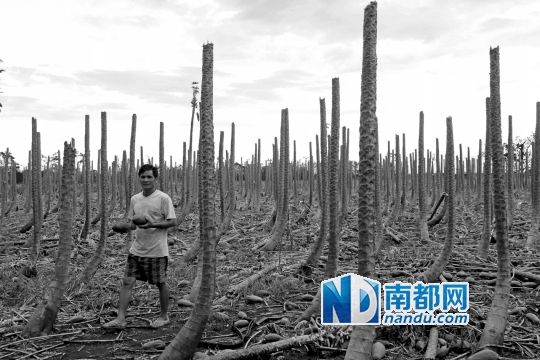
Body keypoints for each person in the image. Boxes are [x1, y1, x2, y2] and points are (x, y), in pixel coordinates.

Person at [104, 164, 177, 328]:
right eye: (143, 176)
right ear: (139, 178)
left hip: (157, 250)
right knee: (127, 281)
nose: (146, 180)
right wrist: (122, 227)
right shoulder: (135, 199)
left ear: (155, 179)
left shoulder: (163, 198)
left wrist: (153, 224)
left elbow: (173, 222)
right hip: (137, 249)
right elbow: (133, 223)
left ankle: (164, 316)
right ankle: (120, 318)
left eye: (149, 177)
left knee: (160, 283)